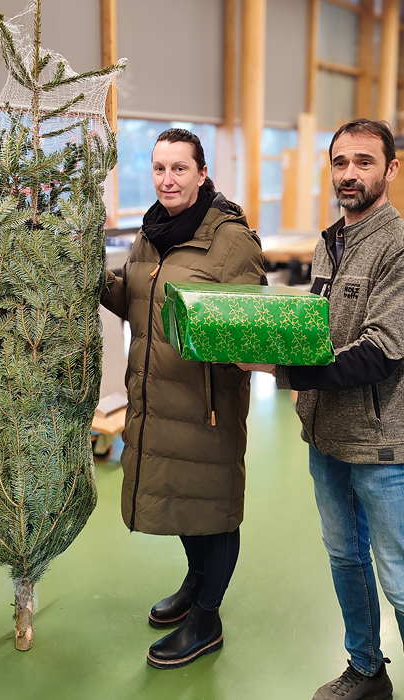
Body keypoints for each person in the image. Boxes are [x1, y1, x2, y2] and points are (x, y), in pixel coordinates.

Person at [241, 119, 404, 700]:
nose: (350, 173)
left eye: (364, 161)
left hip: (383, 443)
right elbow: (316, 331)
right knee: (345, 560)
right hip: (327, 434)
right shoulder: (329, 241)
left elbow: (380, 353)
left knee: (399, 577)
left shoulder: (397, 246)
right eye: (340, 162)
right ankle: (366, 670)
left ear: (391, 169)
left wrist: (279, 372)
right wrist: (258, 339)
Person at [102, 128, 266, 669]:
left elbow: (249, 324)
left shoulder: (230, 240)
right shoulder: (152, 234)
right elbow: (135, 300)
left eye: (179, 168)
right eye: (158, 168)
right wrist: (91, 275)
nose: (167, 179)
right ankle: (196, 586)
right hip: (155, 396)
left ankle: (209, 617)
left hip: (206, 403)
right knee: (181, 501)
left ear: (201, 173)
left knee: (213, 508)